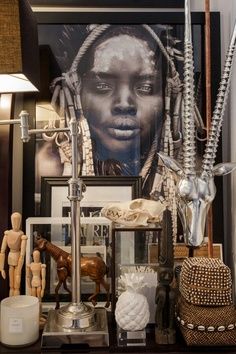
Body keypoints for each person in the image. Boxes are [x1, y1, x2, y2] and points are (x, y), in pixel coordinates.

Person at [35, 24, 183, 198]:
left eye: (145, 87)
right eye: (102, 86)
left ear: (168, 97)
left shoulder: (187, 177)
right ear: (76, 92)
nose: (124, 104)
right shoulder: (47, 168)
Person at [0, 212, 28, 296]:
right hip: (10, 259)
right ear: (11, 221)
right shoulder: (7, 234)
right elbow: (2, 251)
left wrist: (19, 272)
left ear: (20, 222)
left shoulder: (22, 235)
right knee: (11, 285)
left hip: (18, 259)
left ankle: (15, 303)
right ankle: (11, 303)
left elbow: (22, 255)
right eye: (14, 221)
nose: (15, 223)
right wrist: (1, 268)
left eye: (17, 221)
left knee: (16, 286)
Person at [26, 249, 47, 328]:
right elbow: (28, 276)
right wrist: (28, 286)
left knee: (39, 301)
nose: (36, 257)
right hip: (32, 283)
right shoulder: (30, 265)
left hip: (38, 283)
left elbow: (44, 278)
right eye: (35, 256)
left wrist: (43, 289)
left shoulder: (41, 265)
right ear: (33, 256)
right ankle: (34, 317)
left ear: (39, 256)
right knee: (33, 302)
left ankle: (40, 316)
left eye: (37, 256)